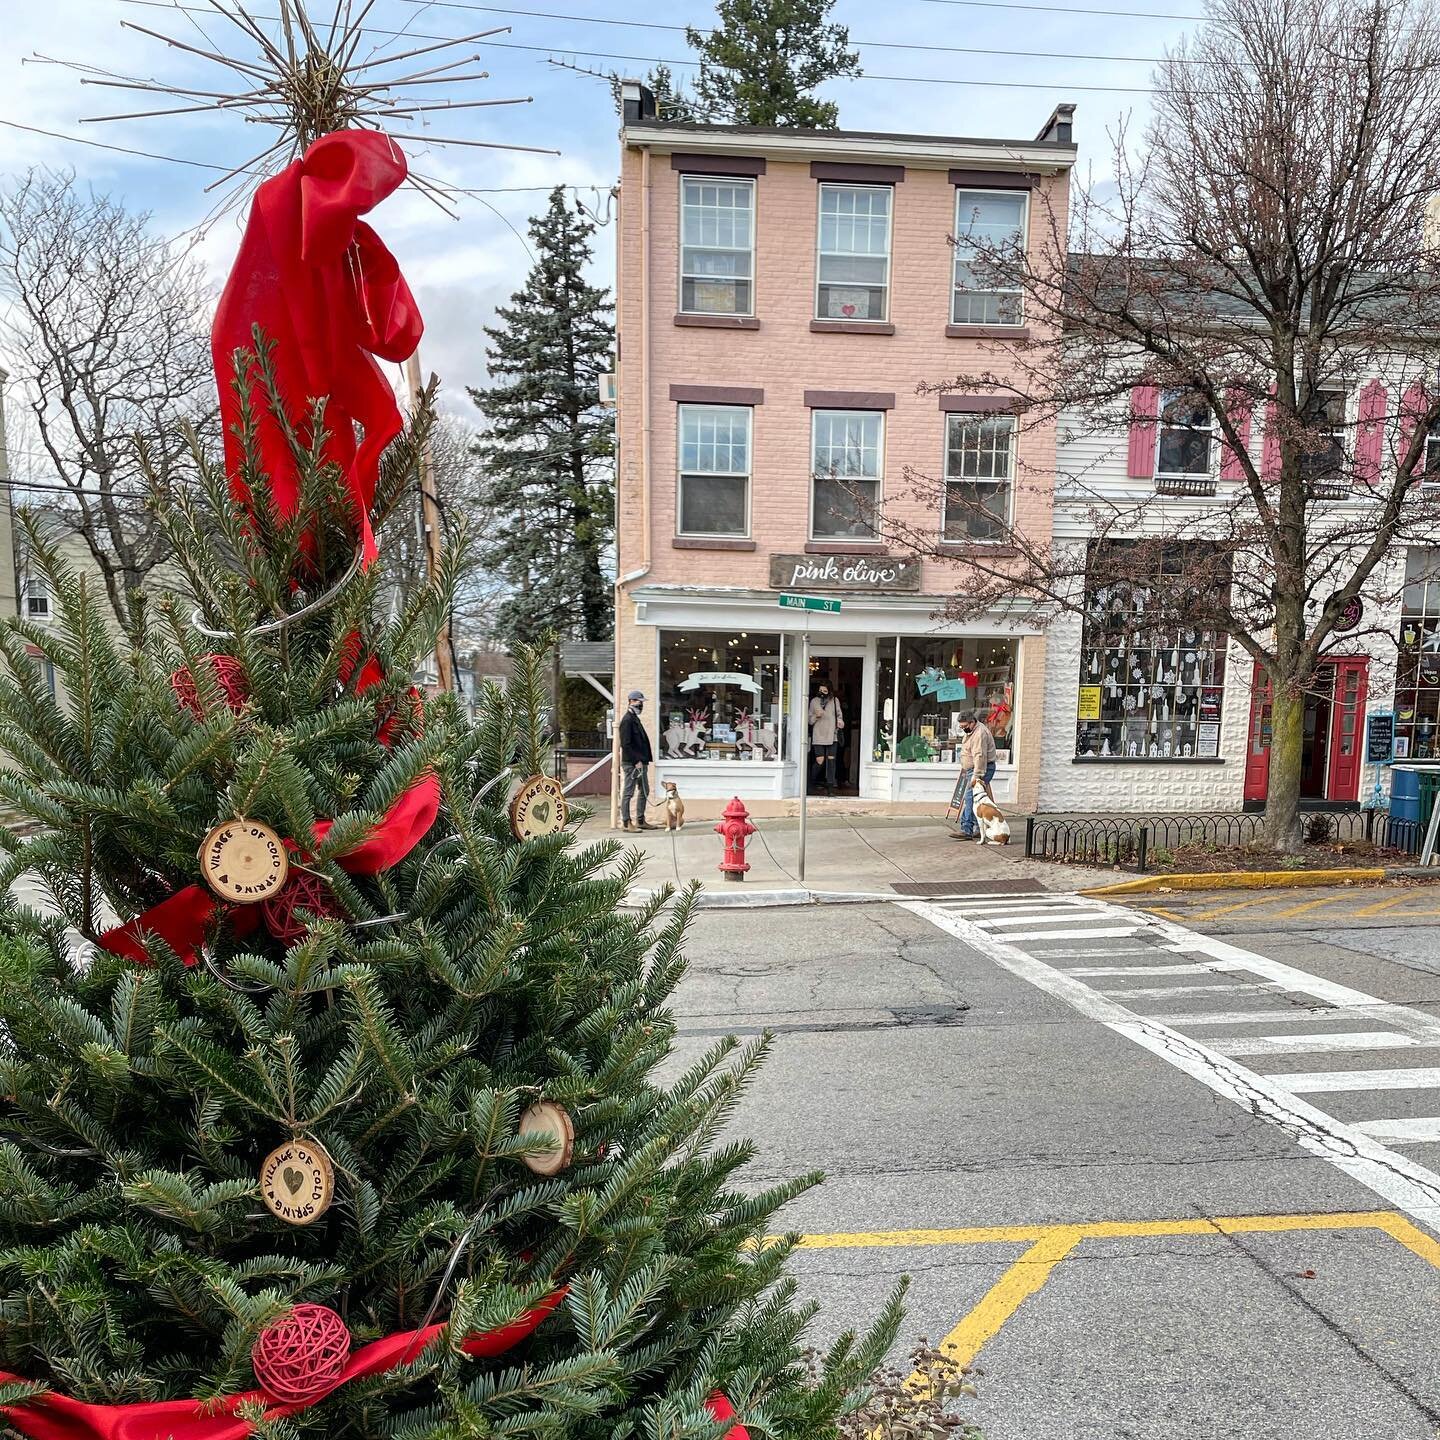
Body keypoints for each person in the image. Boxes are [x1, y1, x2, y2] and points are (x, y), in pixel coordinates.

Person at [952, 709, 997, 840]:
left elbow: (979, 756)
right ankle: (979, 828)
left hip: (981, 769)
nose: (963, 729)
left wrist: (976, 776)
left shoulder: (979, 734)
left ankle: (966, 829)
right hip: (973, 769)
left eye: (965, 726)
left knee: (970, 798)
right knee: (976, 799)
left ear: (972, 722)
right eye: (961, 727)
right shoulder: (972, 731)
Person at [618, 689, 654, 830]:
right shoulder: (627, 720)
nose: (641, 705)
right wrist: (636, 761)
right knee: (628, 792)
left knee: (644, 790)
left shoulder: (634, 719)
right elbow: (625, 744)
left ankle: (640, 819)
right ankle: (626, 822)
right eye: (639, 702)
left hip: (641, 762)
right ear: (631, 701)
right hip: (632, 764)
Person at [807, 682, 844, 795]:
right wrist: (816, 716)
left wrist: (840, 721)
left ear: (829, 691)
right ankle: (810, 783)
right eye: (820, 691)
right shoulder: (814, 701)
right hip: (818, 734)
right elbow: (809, 720)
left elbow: (839, 715)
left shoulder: (834, 700)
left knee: (831, 761)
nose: (822, 693)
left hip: (832, 734)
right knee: (820, 761)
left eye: (825, 691)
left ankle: (830, 788)